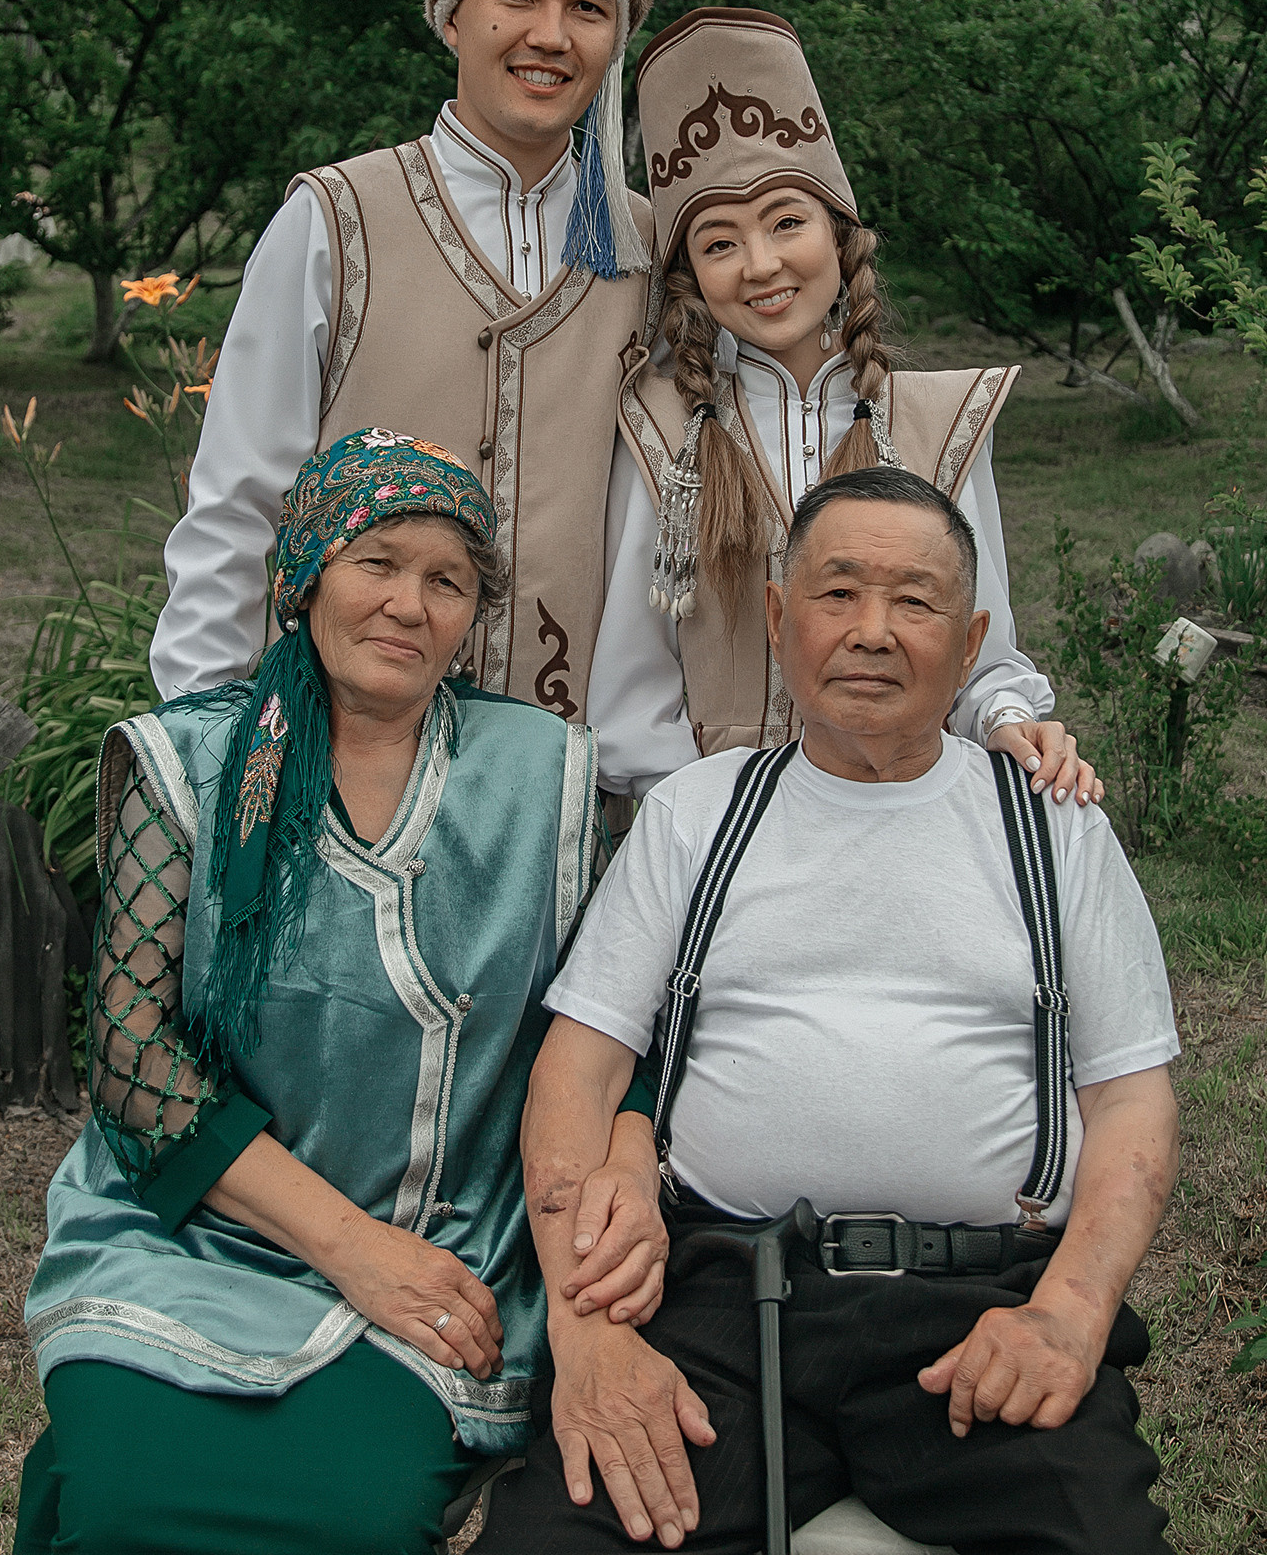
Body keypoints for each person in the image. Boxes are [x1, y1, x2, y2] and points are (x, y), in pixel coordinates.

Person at [478, 468, 1180, 1555]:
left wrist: (1069, 1314)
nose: (873, 632)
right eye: (838, 593)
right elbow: (577, 1073)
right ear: (775, 615)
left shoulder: (1053, 828)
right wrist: (588, 1338)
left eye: (916, 601)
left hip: (979, 1302)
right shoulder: (697, 814)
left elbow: (1132, 1106)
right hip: (725, 1293)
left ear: (970, 634)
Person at [15, 430, 662, 1555]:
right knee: (123, 1503)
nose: (409, 604)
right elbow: (133, 1062)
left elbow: (612, 1022)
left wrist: (629, 1159)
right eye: (378, 562)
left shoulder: (539, 774)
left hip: (448, 1242)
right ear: (305, 572)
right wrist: (354, 1250)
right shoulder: (191, 765)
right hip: (193, 1239)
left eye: (447, 580)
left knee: (351, 1516)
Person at [150, 0, 670, 722]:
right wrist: (203, 735)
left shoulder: (651, 249)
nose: (549, 36)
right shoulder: (335, 220)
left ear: (618, 38)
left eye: (588, 6)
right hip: (333, 746)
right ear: (453, 13)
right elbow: (234, 506)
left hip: (562, 768)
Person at [590, 6, 1099, 805]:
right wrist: (727, 826)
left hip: (901, 809)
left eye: (786, 223)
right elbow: (629, 703)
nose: (760, 266)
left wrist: (1007, 717)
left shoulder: (939, 423)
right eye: (718, 242)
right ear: (688, 272)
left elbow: (982, 652)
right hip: (714, 827)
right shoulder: (660, 435)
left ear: (839, 234)